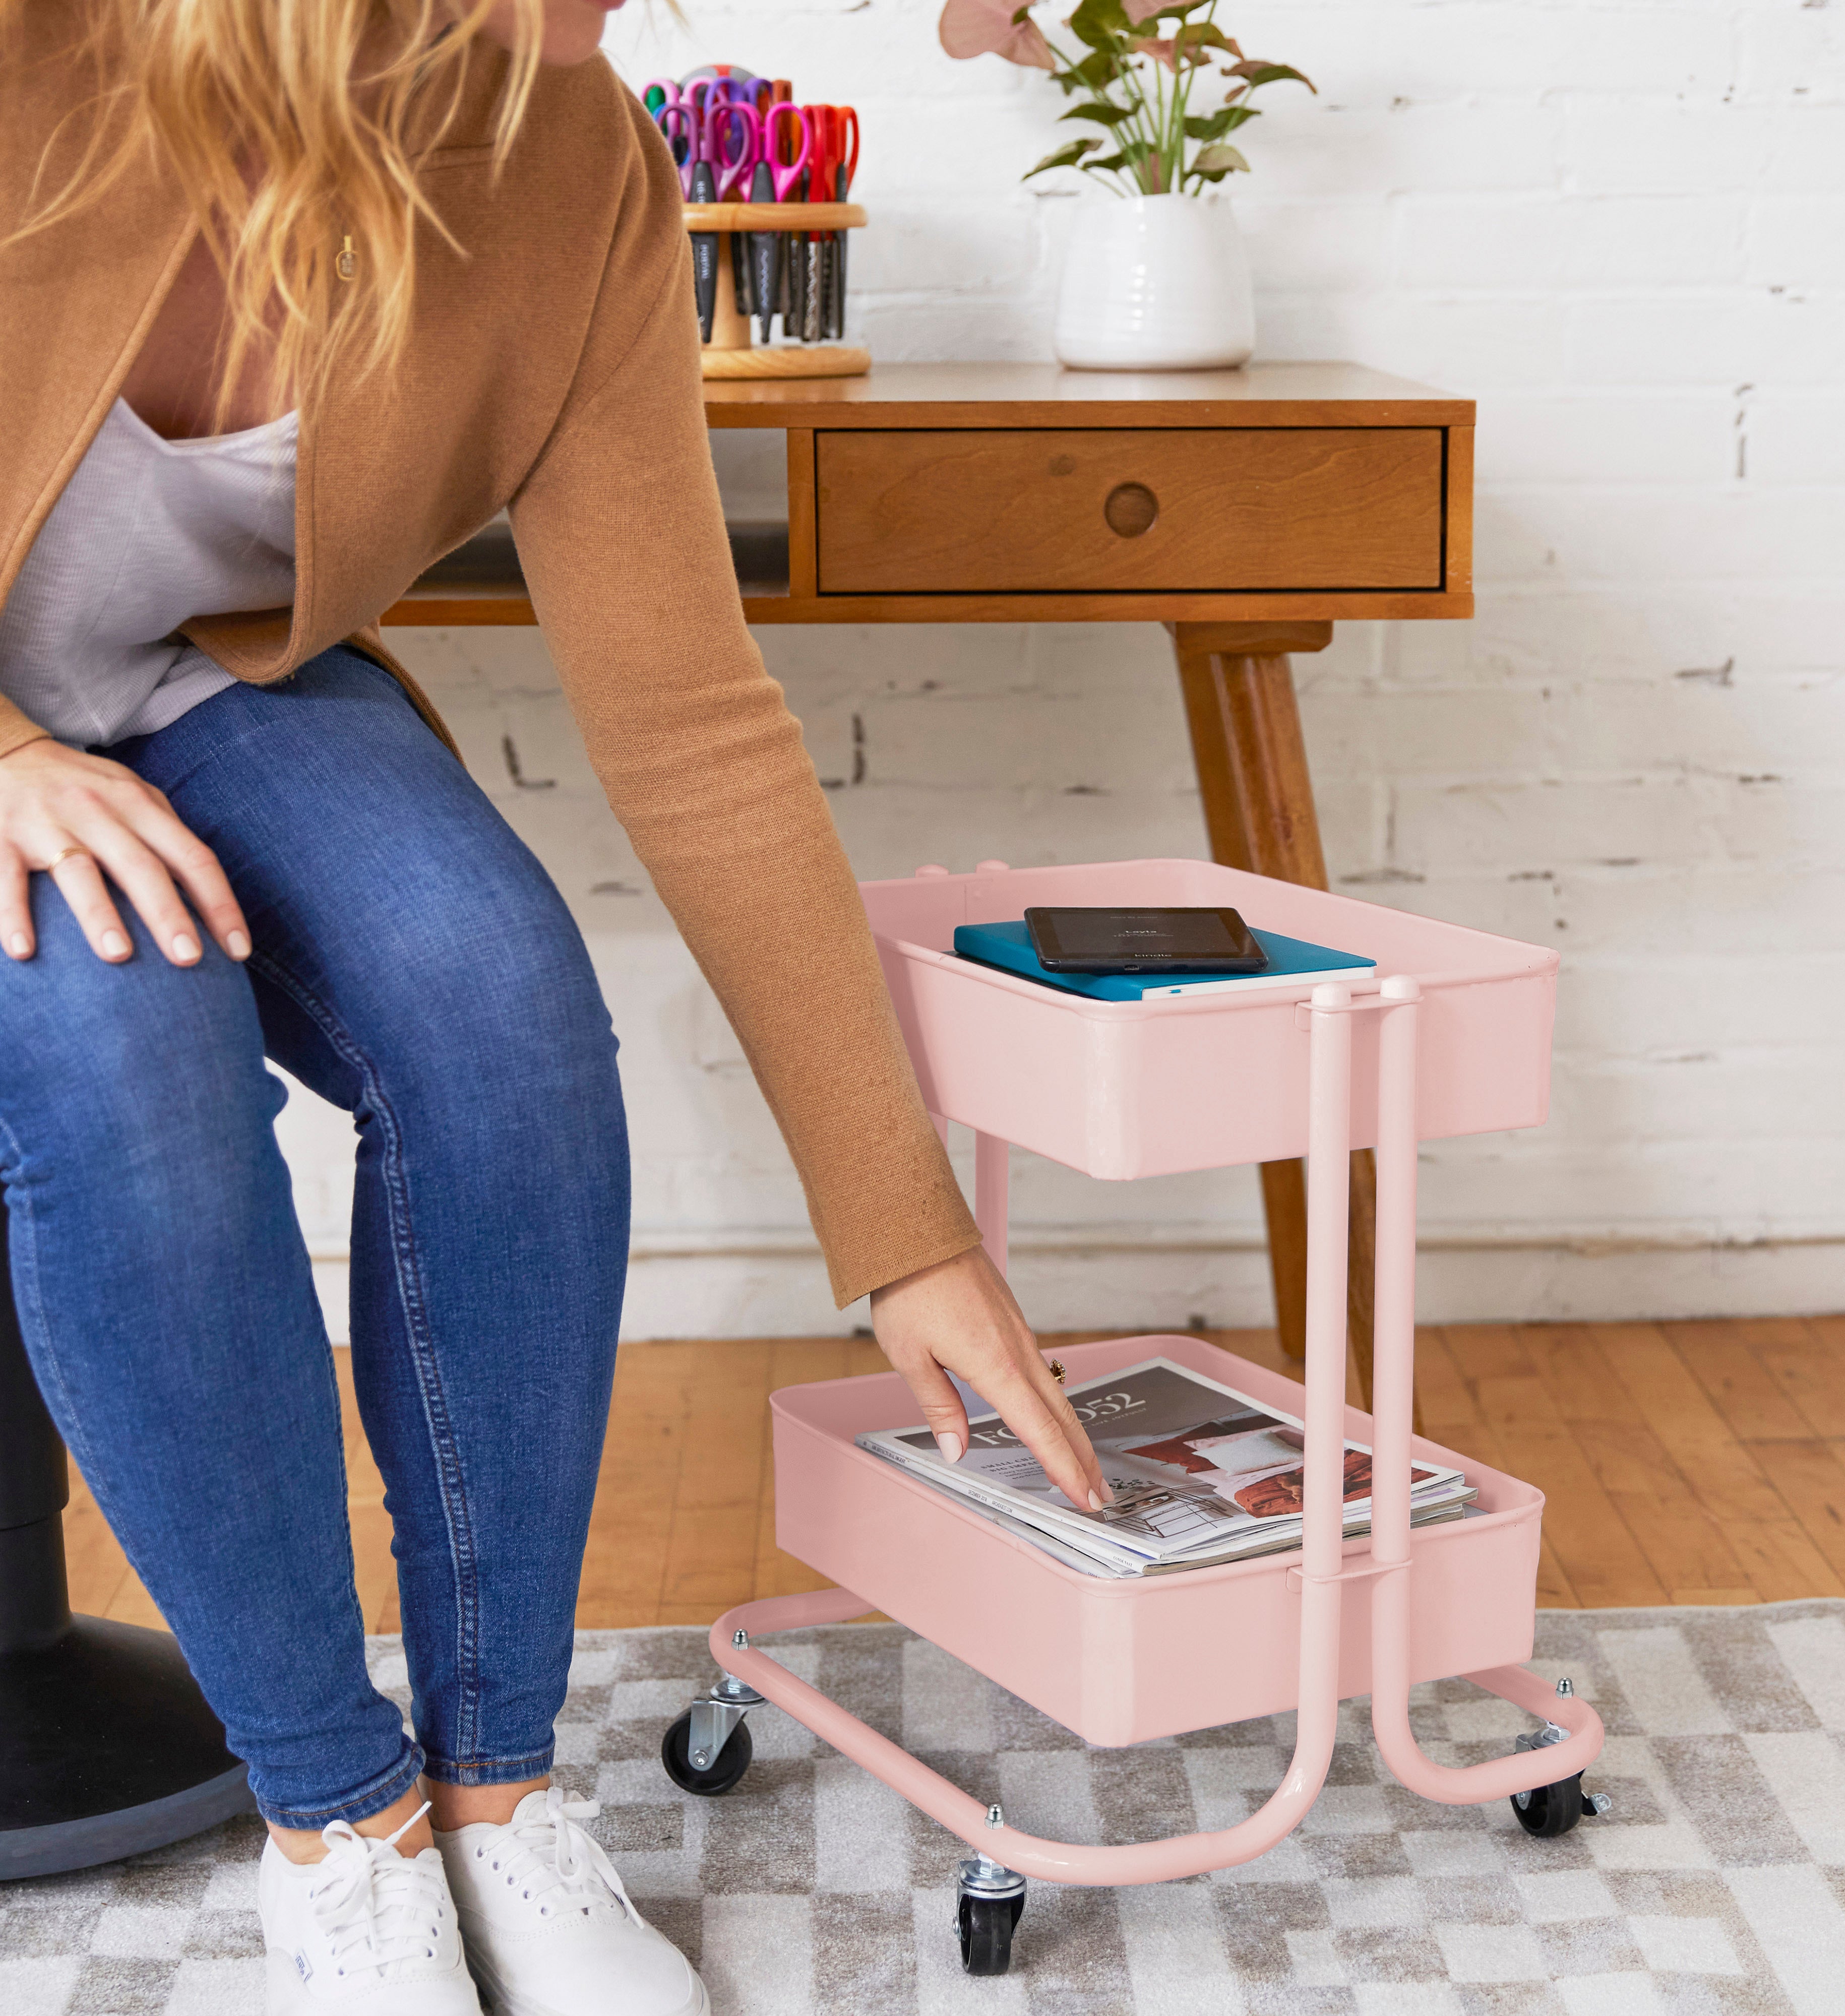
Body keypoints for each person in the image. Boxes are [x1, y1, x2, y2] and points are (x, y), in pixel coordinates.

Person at [0, 2, 1107, 2009]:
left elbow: (693, 721)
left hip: (185, 685)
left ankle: (496, 1794)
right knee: (123, 1030)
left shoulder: (571, 161)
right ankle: (341, 1830)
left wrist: (905, 1225)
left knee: (495, 997)